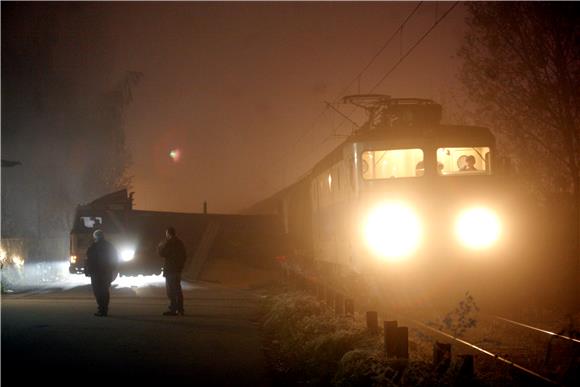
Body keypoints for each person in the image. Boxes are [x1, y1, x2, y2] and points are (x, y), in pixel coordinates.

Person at [86, 229, 118, 317]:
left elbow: (89, 260)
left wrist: (88, 271)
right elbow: (115, 259)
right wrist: (112, 269)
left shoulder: (93, 247)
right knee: (105, 290)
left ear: (95, 237)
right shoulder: (109, 246)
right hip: (106, 272)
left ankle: (101, 309)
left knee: (97, 291)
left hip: (96, 273)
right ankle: (104, 309)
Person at [158, 226, 186, 316]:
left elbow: (162, 253)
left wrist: (160, 246)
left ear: (168, 233)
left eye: (166, 233)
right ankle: (180, 309)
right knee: (178, 289)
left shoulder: (169, 243)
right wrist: (180, 267)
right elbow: (184, 256)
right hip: (177, 270)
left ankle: (173, 309)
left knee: (171, 290)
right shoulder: (180, 243)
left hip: (170, 270)